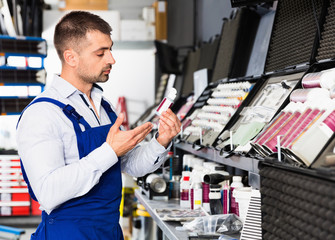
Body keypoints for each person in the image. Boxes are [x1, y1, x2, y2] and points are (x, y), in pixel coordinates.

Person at [16, 11, 181, 240]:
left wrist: (161, 141)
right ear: (71, 57)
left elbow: (129, 164)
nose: (111, 59)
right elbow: (48, 192)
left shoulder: (104, 107)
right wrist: (109, 151)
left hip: (109, 233)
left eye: (110, 49)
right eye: (101, 53)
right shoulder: (42, 113)